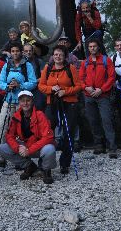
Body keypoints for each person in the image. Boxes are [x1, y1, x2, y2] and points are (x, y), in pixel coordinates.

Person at [38, 45, 84, 174]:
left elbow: (78, 86)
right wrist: (51, 89)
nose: (58, 57)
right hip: (51, 103)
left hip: (69, 104)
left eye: (60, 55)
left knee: (68, 132)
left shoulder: (71, 68)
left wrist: (66, 91)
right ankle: (44, 162)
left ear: (65, 56)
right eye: (56, 54)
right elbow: (41, 86)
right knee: (47, 131)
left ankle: (65, 163)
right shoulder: (47, 68)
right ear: (52, 56)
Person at [0, 90, 56, 185]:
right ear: (19, 102)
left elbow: (48, 137)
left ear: (32, 101)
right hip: (25, 146)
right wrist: (18, 147)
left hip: (38, 147)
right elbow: (9, 136)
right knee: (2, 148)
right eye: (22, 101)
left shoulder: (40, 115)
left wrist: (29, 150)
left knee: (50, 148)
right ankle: (29, 166)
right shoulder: (16, 116)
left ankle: (46, 170)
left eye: (28, 100)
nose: (25, 103)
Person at [0, 42, 37, 168]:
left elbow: (33, 82)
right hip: (8, 100)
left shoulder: (27, 65)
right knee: (1, 127)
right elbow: (0, 81)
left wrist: (21, 86)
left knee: (21, 130)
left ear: (21, 52)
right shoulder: (7, 65)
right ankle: (1, 157)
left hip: (22, 103)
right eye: (12, 51)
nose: (15, 53)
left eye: (17, 51)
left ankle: (21, 157)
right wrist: (7, 86)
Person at [79, 39, 117, 158]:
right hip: (89, 96)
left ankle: (112, 147)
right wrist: (86, 88)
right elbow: (80, 79)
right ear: (88, 48)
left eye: (94, 46)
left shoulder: (106, 60)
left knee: (107, 120)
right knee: (93, 120)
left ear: (98, 47)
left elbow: (112, 77)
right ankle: (99, 145)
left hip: (103, 95)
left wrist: (101, 89)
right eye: (90, 47)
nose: (92, 48)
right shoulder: (85, 62)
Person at [23, 43, 46, 111]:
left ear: (33, 51)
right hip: (24, 88)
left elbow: (44, 76)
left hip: (37, 88)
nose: (28, 52)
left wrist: (34, 82)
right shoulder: (20, 62)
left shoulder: (38, 61)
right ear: (23, 52)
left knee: (39, 107)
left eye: (30, 50)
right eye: (26, 51)